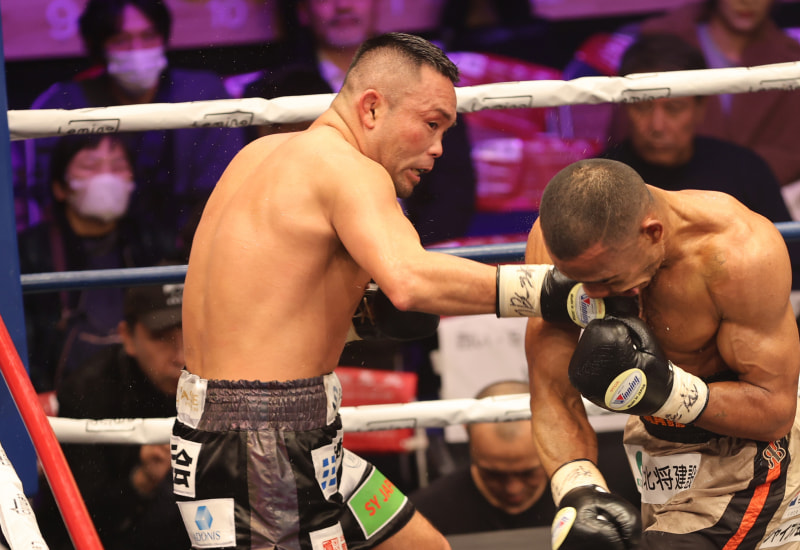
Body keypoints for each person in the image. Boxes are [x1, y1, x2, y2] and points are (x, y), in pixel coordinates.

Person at [172, 32, 626, 549]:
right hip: (263, 448)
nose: (438, 148)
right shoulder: (349, 170)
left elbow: (266, 304)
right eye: (431, 124)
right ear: (371, 107)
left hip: (261, 429)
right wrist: (559, 292)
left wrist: (362, 316)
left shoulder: (262, 155)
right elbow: (411, 282)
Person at [524, 158, 800, 548]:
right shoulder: (559, 240)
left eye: (608, 279)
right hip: (654, 450)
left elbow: (775, 410)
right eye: (580, 280)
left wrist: (668, 391)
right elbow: (551, 388)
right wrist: (578, 489)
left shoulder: (738, 252)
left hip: (747, 457)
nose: (592, 295)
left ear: (652, 233)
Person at [243, 0, 476, 246]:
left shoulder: (429, 82)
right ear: (303, 9)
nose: (343, 5)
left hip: (415, 247)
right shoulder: (270, 92)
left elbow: (454, 192)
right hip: (313, 251)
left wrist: (417, 251)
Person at [24, 0, 244, 239]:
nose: (137, 50)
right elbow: (44, 196)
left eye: (148, 36)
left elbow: (223, 186)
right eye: (121, 40)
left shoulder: (202, 93)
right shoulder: (66, 104)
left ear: (164, 37)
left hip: (188, 243)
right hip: (93, 247)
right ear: (100, 47)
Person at [18, 133, 177, 393]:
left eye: (118, 166)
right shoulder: (30, 251)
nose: (106, 178)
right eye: (90, 166)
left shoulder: (153, 242)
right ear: (60, 186)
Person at [35, 283, 189, 550]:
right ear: (127, 336)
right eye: (162, 337)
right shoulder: (88, 391)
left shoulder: (219, 380)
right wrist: (142, 480)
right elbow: (76, 519)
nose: (181, 356)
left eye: (192, 336)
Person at [601, 33, 793, 224]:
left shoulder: (746, 171)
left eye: (674, 108)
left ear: (700, 109)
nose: (657, 126)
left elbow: (786, 242)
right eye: (642, 106)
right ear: (624, 106)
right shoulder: (599, 179)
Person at [410, 380, 555, 535]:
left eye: (528, 473)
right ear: (467, 432)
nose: (513, 489)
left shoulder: (574, 504)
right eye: (494, 474)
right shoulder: (421, 518)